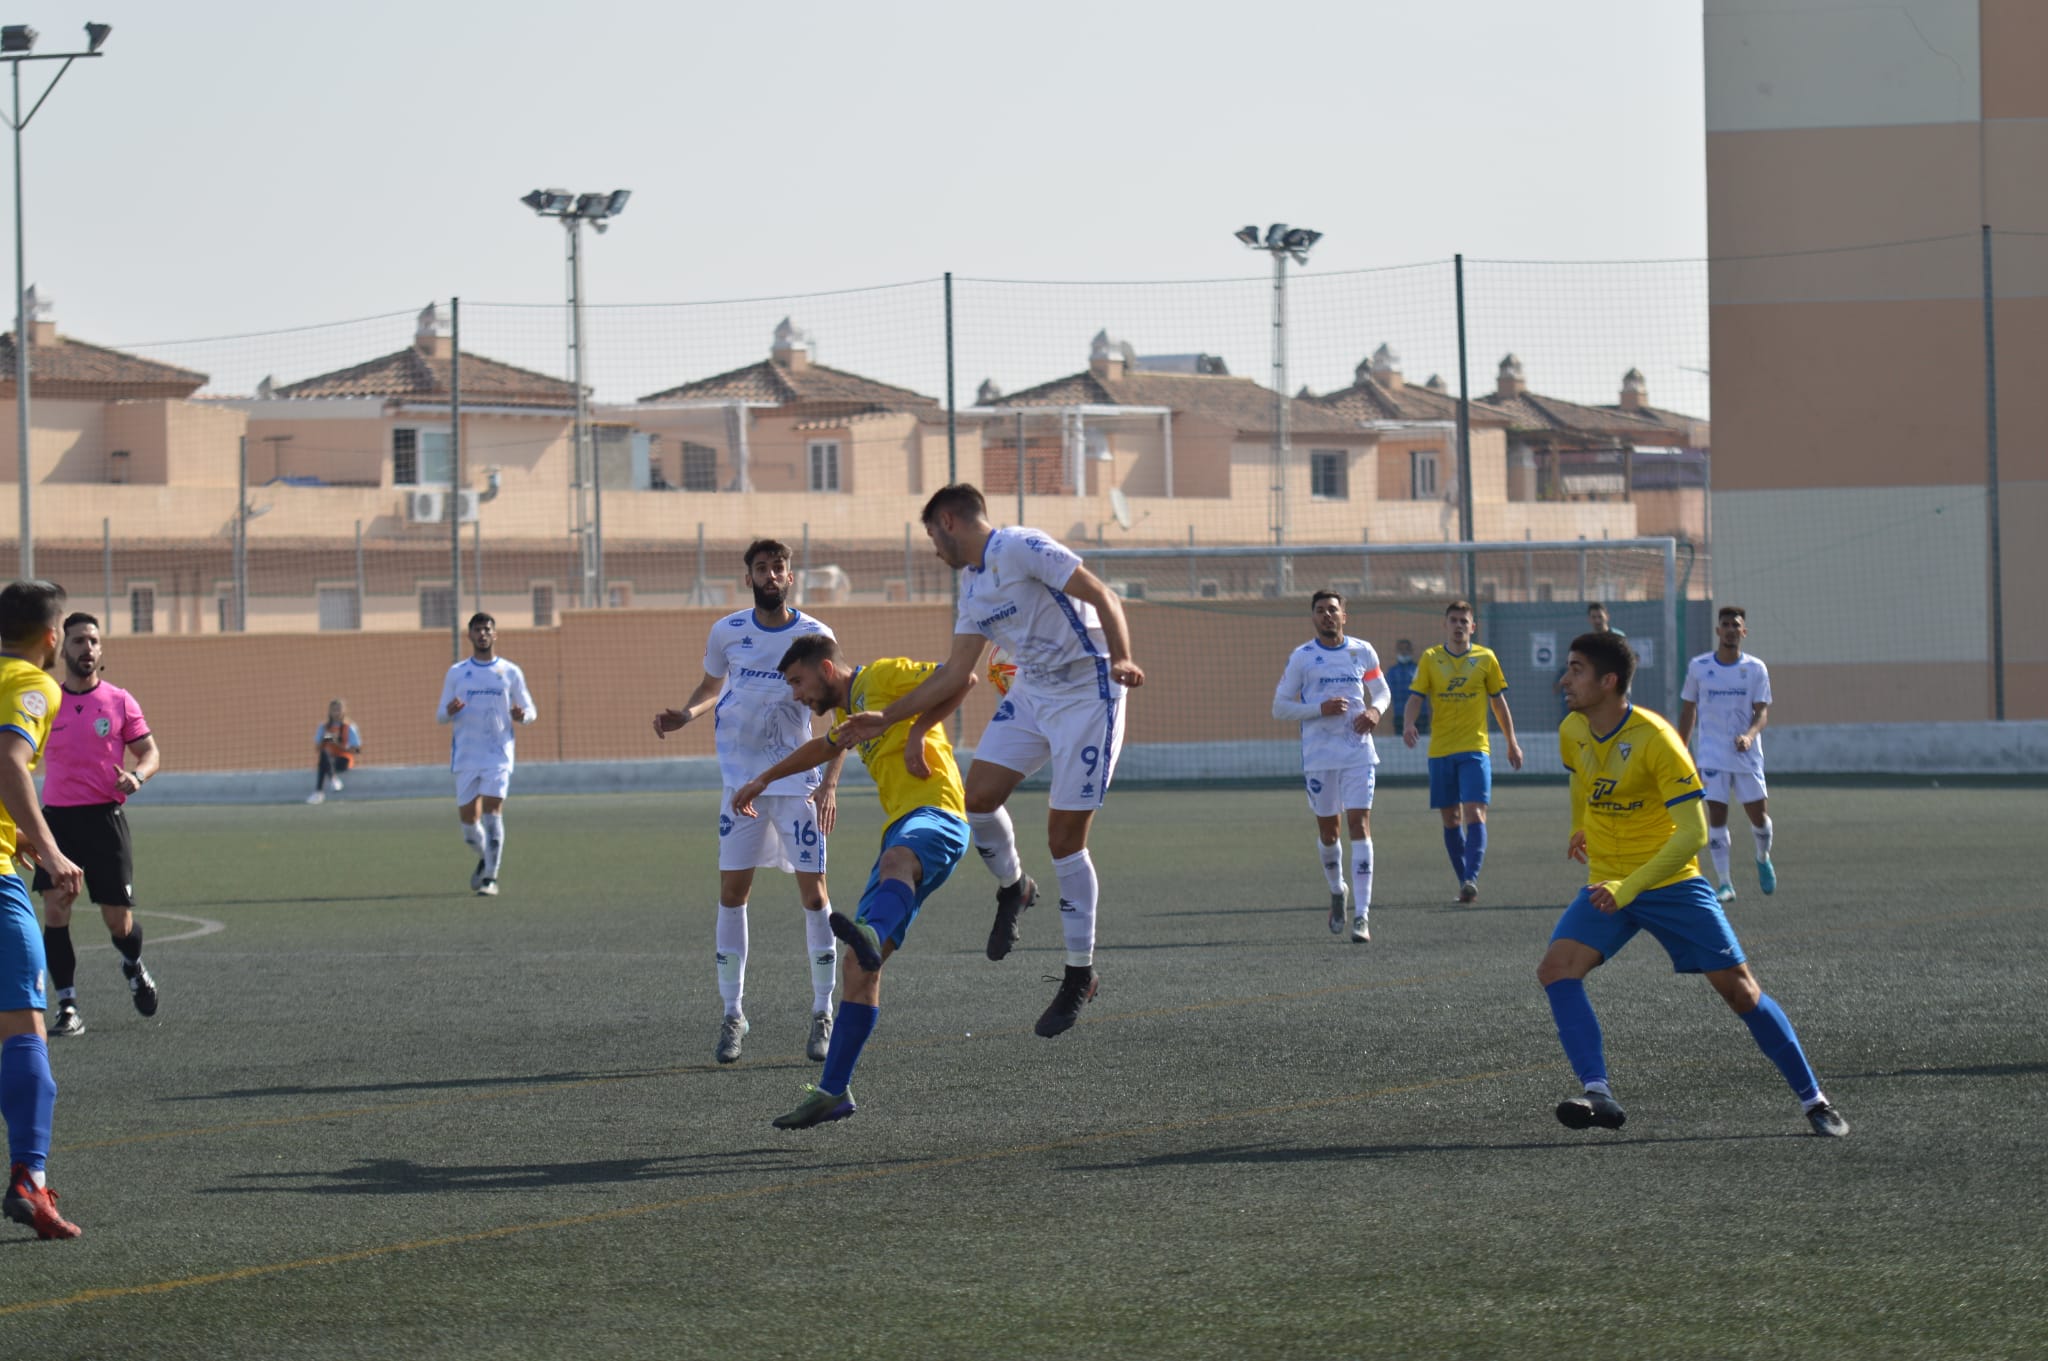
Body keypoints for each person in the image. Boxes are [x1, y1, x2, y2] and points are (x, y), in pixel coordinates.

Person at [834, 484, 1145, 1038]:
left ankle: (1080, 974)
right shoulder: (972, 586)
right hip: (1033, 694)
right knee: (977, 797)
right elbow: (954, 674)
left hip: (1089, 693)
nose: (933, 548)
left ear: (949, 521)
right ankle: (1015, 888)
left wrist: (1121, 656)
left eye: (931, 534)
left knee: (1064, 839)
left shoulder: (1022, 547)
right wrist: (886, 719)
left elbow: (1103, 595)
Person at [1540, 630, 1846, 1137]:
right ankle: (1599, 1093)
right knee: (1556, 970)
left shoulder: (1657, 739)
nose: (1564, 680)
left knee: (1741, 993)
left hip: (1669, 881)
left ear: (1608, 681)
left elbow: (1694, 834)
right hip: (1609, 882)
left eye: (1575, 669)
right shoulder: (1573, 729)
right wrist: (1580, 824)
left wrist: (1629, 886)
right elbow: (1582, 778)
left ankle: (1815, 1100)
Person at [731, 633, 975, 1129]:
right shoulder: (847, 717)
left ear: (825, 668)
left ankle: (871, 932)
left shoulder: (883, 675)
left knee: (897, 862)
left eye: (798, 682)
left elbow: (962, 676)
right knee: (859, 969)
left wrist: (915, 731)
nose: (796, 695)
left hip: (939, 814)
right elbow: (819, 751)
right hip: (902, 828)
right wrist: (763, 780)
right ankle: (832, 1091)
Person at [653, 539, 846, 1065]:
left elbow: (841, 718)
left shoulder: (816, 636)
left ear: (790, 576)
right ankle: (733, 1012)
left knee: (814, 898)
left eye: (778, 567)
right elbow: (715, 683)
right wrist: (688, 714)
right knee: (732, 896)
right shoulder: (727, 631)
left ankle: (822, 1010)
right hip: (740, 787)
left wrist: (829, 783)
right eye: (761, 568)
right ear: (749, 578)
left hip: (798, 788)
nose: (770, 575)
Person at [0, 580, 87, 1238]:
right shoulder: (34, 683)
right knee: (26, 1031)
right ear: (52, 635)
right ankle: (29, 1178)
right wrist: (51, 851)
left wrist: (20, 833)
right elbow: (10, 762)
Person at [33, 613, 161, 1038]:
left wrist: (137, 777)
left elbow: (149, 752)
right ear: (62, 649)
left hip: (106, 820)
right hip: (58, 822)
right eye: (77, 641)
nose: (86, 648)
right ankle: (68, 1005)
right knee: (56, 909)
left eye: (92, 641)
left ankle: (132, 965)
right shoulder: (47, 701)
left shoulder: (120, 701)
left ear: (100, 650)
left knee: (117, 922)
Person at [1272, 591, 1391, 942]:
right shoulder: (1302, 658)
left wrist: (1374, 711)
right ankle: (1338, 891)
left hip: (1358, 753)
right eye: (1320, 610)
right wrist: (1317, 709)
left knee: (1359, 824)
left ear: (1344, 616)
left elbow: (1381, 691)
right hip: (1320, 757)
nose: (1327, 615)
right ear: (1313, 618)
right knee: (1330, 833)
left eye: (1333, 610)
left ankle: (1362, 916)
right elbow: (1279, 708)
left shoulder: (1362, 650)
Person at [1402, 600, 1523, 903]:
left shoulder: (1486, 658)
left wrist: (1512, 741)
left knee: (1474, 812)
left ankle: (1471, 877)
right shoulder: (1431, 658)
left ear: (1473, 627)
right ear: (1445, 625)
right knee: (1451, 819)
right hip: (1441, 750)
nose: (1458, 626)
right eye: (1453, 620)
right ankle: (1464, 882)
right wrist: (1408, 723)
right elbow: (1416, 697)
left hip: (1475, 749)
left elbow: (1498, 702)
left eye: (1463, 621)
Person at [1677, 606, 1775, 903]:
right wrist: (1681, 750)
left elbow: (1762, 713)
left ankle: (1762, 855)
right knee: (1716, 815)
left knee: (1758, 818)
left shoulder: (1756, 668)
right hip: (1712, 755)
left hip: (1746, 755)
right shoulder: (1699, 666)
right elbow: (1688, 710)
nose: (1730, 629)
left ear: (1743, 632)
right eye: (1725, 624)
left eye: (1736, 625)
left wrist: (1749, 735)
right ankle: (1725, 883)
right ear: (1718, 631)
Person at [435, 613, 536, 898]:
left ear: (495, 635)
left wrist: (522, 715)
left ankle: (491, 877)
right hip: (466, 756)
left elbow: (530, 710)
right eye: (477, 630)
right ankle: (486, 859)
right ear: (469, 635)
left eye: (487, 630)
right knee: (469, 826)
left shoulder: (510, 672)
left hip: (498, 755)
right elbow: (440, 715)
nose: (482, 634)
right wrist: (450, 711)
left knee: (493, 813)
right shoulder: (457, 672)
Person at [306, 699, 361, 805]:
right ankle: (333, 780)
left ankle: (319, 792)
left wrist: (338, 744)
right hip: (329, 759)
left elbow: (356, 749)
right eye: (334, 710)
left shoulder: (349, 727)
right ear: (329, 712)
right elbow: (317, 748)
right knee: (324, 755)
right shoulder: (324, 727)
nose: (336, 713)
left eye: (338, 710)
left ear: (343, 711)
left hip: (343, 759)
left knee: (322, 764)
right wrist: (325, 739)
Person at [1384, 639, 1424, 738]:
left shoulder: (1419, 669)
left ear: (1411, 650)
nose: (1404, 651)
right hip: (1400, 716)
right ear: (1397, 651)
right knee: (1401, 746)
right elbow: (1388, 691)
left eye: (1407, 649)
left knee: (1423, 745)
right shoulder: (1392, 672)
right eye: (1401, 649)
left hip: (1421, 715)